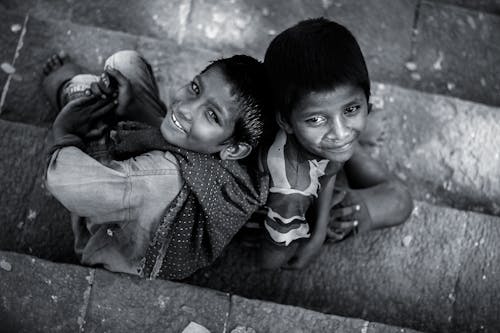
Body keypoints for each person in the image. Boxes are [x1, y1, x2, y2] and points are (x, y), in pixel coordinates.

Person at [44, 50, 269, 280]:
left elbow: (66, 182)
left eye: (212, 115)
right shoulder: (240, 165)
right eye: (195, 88)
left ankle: (65, 91)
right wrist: (135, 108)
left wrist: (63, 132)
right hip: (161, 187)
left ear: (234, 149)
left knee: (84, 89)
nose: (185, 108)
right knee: (125, 64)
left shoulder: (157, 178)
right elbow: (185, 146)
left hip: (121, 246)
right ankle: (100, 102)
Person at [259, 18, 413, 270]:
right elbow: (269, 262)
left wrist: (319, 234)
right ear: (285, 121)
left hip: (312, 158)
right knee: (399, 202)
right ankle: (356, 144)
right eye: (317, 118)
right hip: (283, 214)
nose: (340, 132)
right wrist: (311, 236)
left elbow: (328, 163)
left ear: (367, 101)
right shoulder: (290, 190)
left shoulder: (315, 134)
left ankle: (350, 139)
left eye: (351, 108)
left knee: (333, 146)